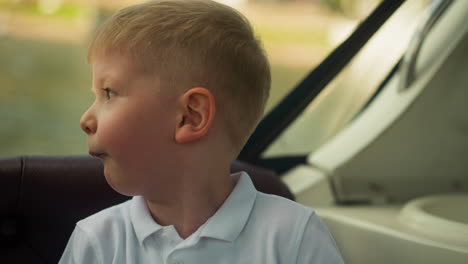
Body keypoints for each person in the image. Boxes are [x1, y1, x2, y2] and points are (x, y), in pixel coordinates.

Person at [59, 0, 344, 263]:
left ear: (190, 116)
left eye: (109, 93)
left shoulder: (294, 236)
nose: (86, 119)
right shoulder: (96, 241)